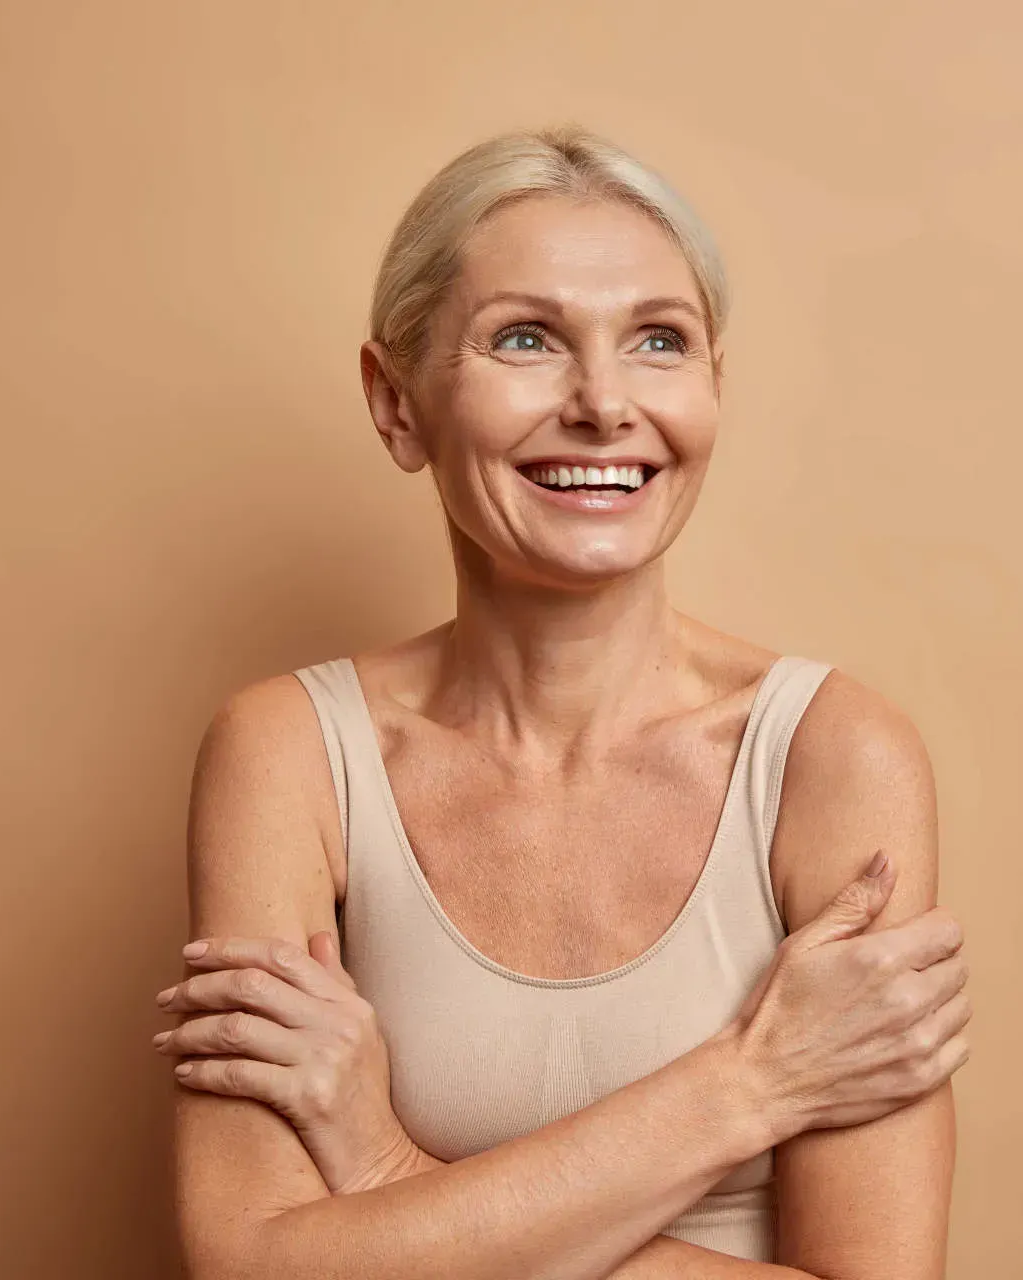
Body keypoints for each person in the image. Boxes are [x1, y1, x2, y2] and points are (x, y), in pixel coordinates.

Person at [149, 125, 973, 1278]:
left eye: (658, 342)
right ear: (396, 406)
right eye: (527, 339)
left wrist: (386, 1173)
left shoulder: (834, 757)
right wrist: (753, 1080)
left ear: (711, 392)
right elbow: (250, 1265)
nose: (603, 402)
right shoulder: (286, 752)